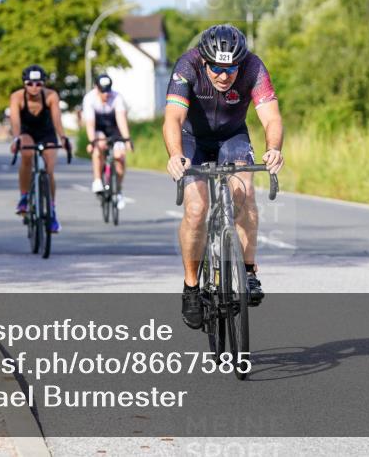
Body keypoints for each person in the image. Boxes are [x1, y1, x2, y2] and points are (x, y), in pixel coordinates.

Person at [163, 24, 284, 329]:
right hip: (193, 139)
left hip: (232, 137)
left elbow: (271, 117)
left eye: (230, 68)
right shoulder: (187, 65)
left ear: (240, 63)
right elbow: (173, 118)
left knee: (244, 193)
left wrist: (274, 149)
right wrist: (175, 154)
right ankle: (191, 288)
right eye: (216, 67)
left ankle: (248, 271)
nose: (223, 74)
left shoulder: (254, 68)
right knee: (196, 208)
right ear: (204, 60)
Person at [8, 65, 68, 232]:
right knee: (27, 154)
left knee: (49, 170)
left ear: (44, 84)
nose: (34, 87)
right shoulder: (17, 97)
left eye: (38, 83)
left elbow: (57, 119)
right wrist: (16, 138)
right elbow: (15, 121)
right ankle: (24, 197)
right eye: (30, 83)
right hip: (26, 132)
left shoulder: (51, 96)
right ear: (24, 84)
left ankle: (52, 211)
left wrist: (63, 137)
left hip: (46, 133)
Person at [83, 74, 133, 209]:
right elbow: (90, 123)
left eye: (108, 91)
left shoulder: (117, 97)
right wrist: (91, 141)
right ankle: (98, 180)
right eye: (102, 91)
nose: (106, 94)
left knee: (120, 157)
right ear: (96, 88)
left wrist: (127, 139)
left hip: (114, 127)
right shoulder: (89, 99)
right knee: (99, 146)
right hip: (98, 127)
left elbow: (121, 119)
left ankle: (118, 190)